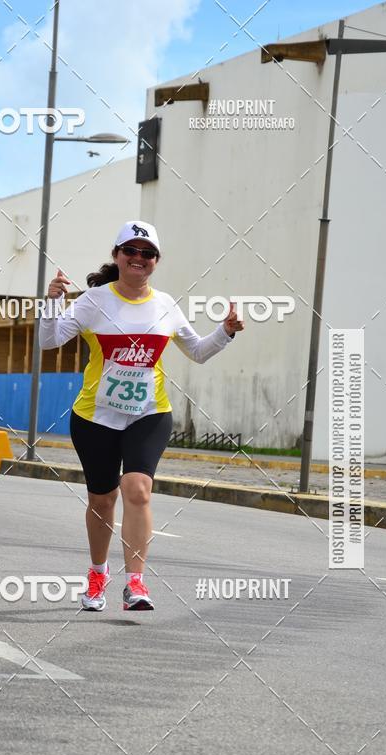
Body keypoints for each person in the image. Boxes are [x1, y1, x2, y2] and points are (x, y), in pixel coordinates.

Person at [40, 220, 244, 613]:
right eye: (130, 251)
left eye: (146, 253)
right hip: (95, 417)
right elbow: (49, 340)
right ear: (116, 256)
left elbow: (198, 351)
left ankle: (135, 582)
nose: (138, 258)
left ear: (156, 261)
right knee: (103, 500)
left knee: (138, 489)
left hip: (149, 413)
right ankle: (97, 574)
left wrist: (225, 332)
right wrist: (52, 301)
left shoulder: (165, 304)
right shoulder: (94, 300)